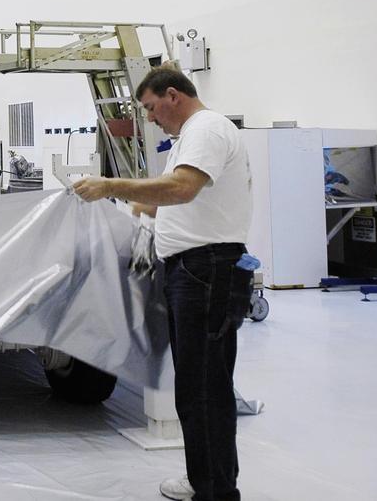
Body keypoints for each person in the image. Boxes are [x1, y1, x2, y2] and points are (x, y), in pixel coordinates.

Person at [73, 65, 253, 501]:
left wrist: (109, 185)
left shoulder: (206, 129)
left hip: (206, 271)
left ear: (173, 95)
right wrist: (129, 209)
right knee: (197, 384)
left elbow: (182, 188)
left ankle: (214, 490)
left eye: (152, 108)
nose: (150, 118)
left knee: (204, 387)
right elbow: (176, 201)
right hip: (194, 270)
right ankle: (207, 480)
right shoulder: (190, 136)